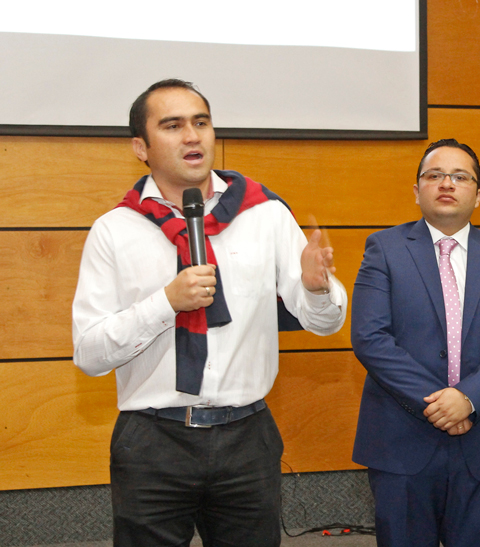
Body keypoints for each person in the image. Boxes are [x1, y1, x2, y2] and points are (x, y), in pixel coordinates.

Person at [72, 79, 347, 547]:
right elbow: (90, 353)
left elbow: (325, 323)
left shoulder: (264, 214)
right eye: (173, 125)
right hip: (153, 441)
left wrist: (316, 288)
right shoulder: (114, 230)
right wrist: (166, 303)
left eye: (201, 122)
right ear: (141, 146)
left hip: (247, 437)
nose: (193, 136)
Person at [350, 139, 480, 547]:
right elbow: (370, 338)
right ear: (416, 190)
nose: (446, 184)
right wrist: (440, 403)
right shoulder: (383, 249)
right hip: (402, 439)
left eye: (460, 176)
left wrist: (467, 398)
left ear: (479, 193)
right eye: (434, 175)